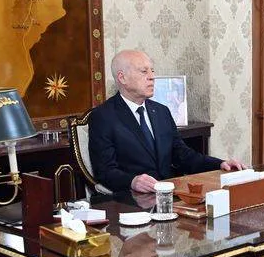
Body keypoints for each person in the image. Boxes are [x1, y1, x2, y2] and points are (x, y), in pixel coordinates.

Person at [89, 50, 245, 193]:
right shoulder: (103, 116)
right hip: (132, 199)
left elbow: (182, 154)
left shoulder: (161, 111)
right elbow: (104, 171)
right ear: (122, 78)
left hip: (170, 193)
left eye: (152, 70)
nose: (152, 76)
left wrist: (219, 164)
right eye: (144, 71)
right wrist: (132, 181)